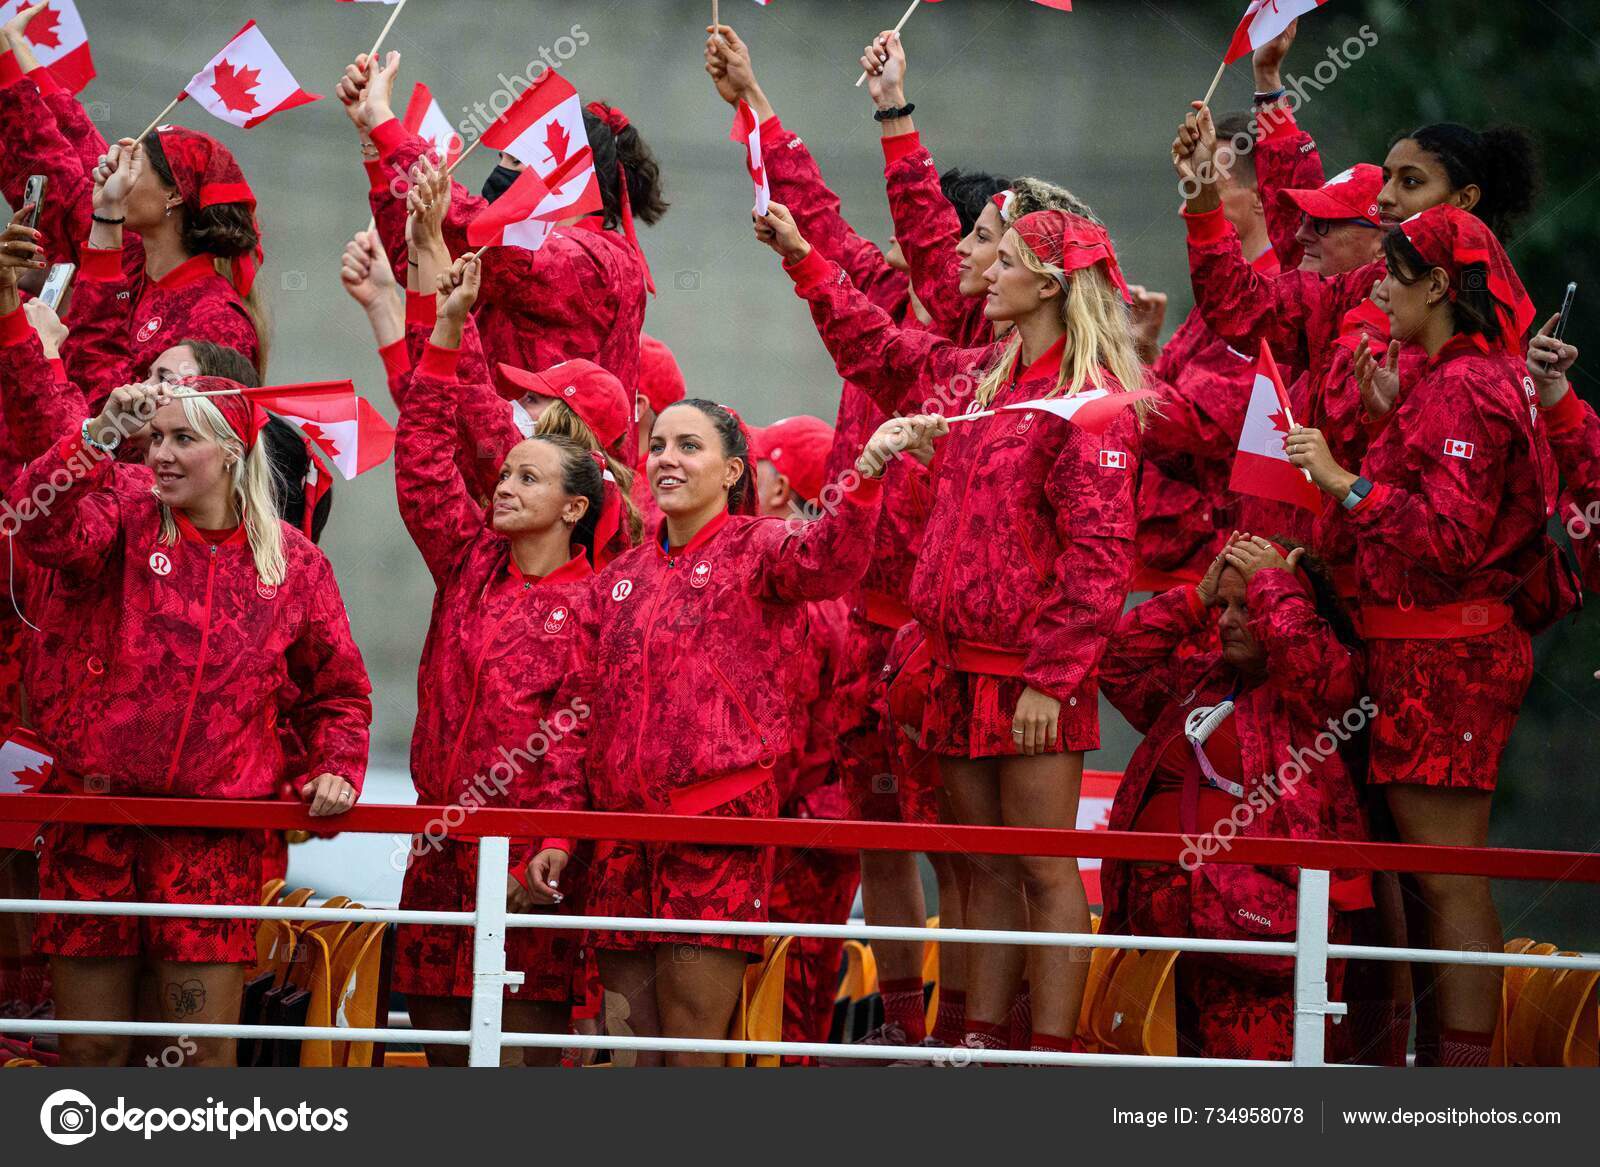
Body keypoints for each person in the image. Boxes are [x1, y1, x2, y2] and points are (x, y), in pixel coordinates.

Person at [759, 201, 1145, 1055]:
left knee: (1044, 872)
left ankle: (1043, 1054)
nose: (984, 270)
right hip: (953, 668)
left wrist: (1053, 677)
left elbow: (1100, 555)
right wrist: (803, 258)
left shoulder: (1093, 406)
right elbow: (879, 349)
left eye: (1002, 257)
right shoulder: (981, 380)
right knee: (980, 870)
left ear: (1047, 283)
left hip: (1028, 676)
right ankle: (979, 1043)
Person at [709, 22, 1012, 1049]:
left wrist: (894, 115)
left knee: (967, 852)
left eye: (973, 245)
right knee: (875, 837)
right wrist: (750, 99)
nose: (945, 256)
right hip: (854, 631)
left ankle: (970, 1039)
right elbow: (816, 216)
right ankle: (900, 1029)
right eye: (956, 245)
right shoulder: (888, 306)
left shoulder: (1003, 356)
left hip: (945, 639)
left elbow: (907, 224)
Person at [4, 364, 370, 1066]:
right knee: (91, 1047)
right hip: (93, 829)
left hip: (209, 844)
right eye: (157, 437)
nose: (161, 453)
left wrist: (336, 765)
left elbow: (339, 692)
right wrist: (96, 436)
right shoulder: (121, 508)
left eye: (183, 439)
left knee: (195, 1054)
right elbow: (38, 523)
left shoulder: (295, 564)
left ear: (232, 450)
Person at [1285, 205, 1570, 1066]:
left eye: (1395, 272)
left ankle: (1463, 1087)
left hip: (1451, 659)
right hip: (1423, 655)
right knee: (1427, 879)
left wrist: (1340, 481)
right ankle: (1446, 1068)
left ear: (1442, 287)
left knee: (1448, 877)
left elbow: (1448, 542)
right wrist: (1382, 421)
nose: (1376, 284)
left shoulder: (1467, 384)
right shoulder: (1449, 374)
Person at [584, 392, 924, 1065]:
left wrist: (866, 479)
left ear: (734, 471)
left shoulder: (760, 548)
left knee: (691, 1051)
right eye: (657, 445)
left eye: (689, 446)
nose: (666, 459)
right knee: (626, 1053)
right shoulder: (621, 575)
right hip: (623, 839)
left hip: (715, 837)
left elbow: (833, 560)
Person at [391, 252, 597, 1067]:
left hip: (529, 871)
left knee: (519, 1075)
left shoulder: (596, 601)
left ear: (574, 506)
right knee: (446, 1065)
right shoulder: (470, 561)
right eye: (505, 472)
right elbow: (420, 467)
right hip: (440, 847)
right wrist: (443, 336)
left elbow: (579, 738)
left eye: (528, 478)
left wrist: (550, 839)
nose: (503, 486)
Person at [1100, 535, 1371, 1061]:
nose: (1225, 621)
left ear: (1290, 607)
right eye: (1224, 607)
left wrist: (1275, 583)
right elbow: (1117, 664)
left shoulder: (1319, 691)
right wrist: (1195, 598)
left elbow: (1318, 673)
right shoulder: (1200, 676)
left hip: (1254, 943)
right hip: (1166, 939)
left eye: (1246, 607)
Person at [339, 52, 660, 437]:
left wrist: (386, 126)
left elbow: (465, 232)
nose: (499, 173)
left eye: (516, 162)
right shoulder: (506, 266)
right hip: (501, 477)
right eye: (502, 158)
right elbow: (423, 253)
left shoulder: (603, 263)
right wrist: (372, 143)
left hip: (558, 487)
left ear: (566, 179)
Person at [749, 415, 862, 1055]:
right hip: (825, 821)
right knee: (803, 993)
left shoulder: (799, 597)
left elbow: (783, 734)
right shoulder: (840, 588)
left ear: (780, 486)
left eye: (760, 461)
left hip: (792, 824)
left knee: (781, 995)